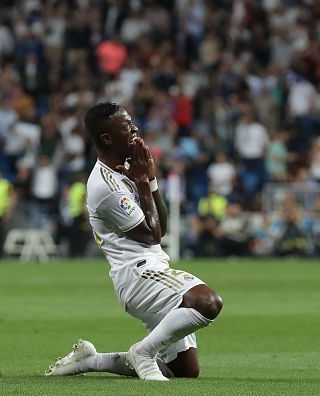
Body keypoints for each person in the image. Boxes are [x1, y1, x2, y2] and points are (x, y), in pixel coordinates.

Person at [46, 102, 223, 380]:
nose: (135, 130)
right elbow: (151, 234)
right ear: (107, 139)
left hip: (153, 268)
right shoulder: (106, 186)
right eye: (127, 127)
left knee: (186, 370)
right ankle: (142, 353)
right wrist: (141, 182)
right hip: (138, 275)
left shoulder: (124, 171)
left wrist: (150, 180)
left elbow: (160, 228)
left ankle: (92, 360)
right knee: (207, 302)